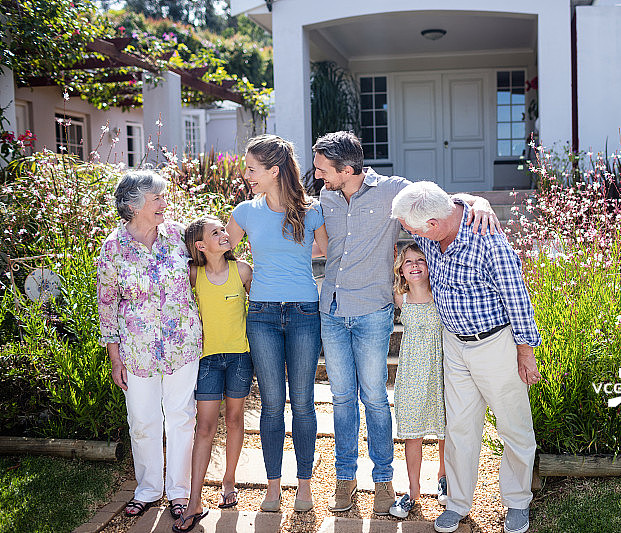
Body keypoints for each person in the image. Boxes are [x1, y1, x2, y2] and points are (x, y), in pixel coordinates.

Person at [311, 131, 499, 515]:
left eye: (322, 169)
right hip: (331, 310)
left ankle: (384, 481)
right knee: (342, 400)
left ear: (347, 169)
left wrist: (476, 200)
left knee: (376, 399)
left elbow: (437, 201)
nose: (317, 176)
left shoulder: (391, 191)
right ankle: (344, 478)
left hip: (373, 311)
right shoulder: (325, 196)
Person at [391, 181, 542, 533]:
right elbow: (448, 197)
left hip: (495, 344)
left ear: (431, 225)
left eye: (411, 229)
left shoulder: (487, 240)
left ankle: (518, 502)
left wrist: (525, 351)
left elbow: (517, 297)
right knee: (458, 428)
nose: (407, 233)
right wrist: (477, 199)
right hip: (454, 345)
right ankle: (457, 503)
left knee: (514, 427)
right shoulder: (432, 229)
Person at [226, 134, 328, 513]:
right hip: (263, 314)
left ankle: (304, 488)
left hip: (304, 312)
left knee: (302, 403)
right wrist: (245, 270)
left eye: (252, 169)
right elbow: (219, 253)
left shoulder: (312, 210)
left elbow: (330, 254)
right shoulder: (244, 212)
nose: (246, 175)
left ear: (274, 171)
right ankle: (272, 488)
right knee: (271, 404)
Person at [97, 170, 202, 520]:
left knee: (181, 417)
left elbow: (211, 263)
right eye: (157, 198)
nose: (164, 203)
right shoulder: (112, 247)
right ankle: (148, 488)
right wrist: (114, 358)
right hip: (136, 349)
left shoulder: (176, 235)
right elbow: (107, 302)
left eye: (163, 197)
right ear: (133, 204)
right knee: (141, 419)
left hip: (182, 344)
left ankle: (179, 491)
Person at [172, 215, 254, 532]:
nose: (224, 234)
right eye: (215, 232)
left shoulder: (242, 270)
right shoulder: (194, 274)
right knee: (204, 428)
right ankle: (194, 501)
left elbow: (259, 309)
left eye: (224, 229)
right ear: (201, 246)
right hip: (207, 360)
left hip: (239, 358)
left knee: (234, 419)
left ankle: (229, 482)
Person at [388, 243, 446, 519]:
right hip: (412, 372)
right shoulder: (401, 298)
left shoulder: (440, 295)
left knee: (446, 428)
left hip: (441, 368)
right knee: (413, 432)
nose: (414, 265)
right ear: (401, 269)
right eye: (408, 261)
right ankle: (412, 490)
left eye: (420, 260)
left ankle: (444, 477)